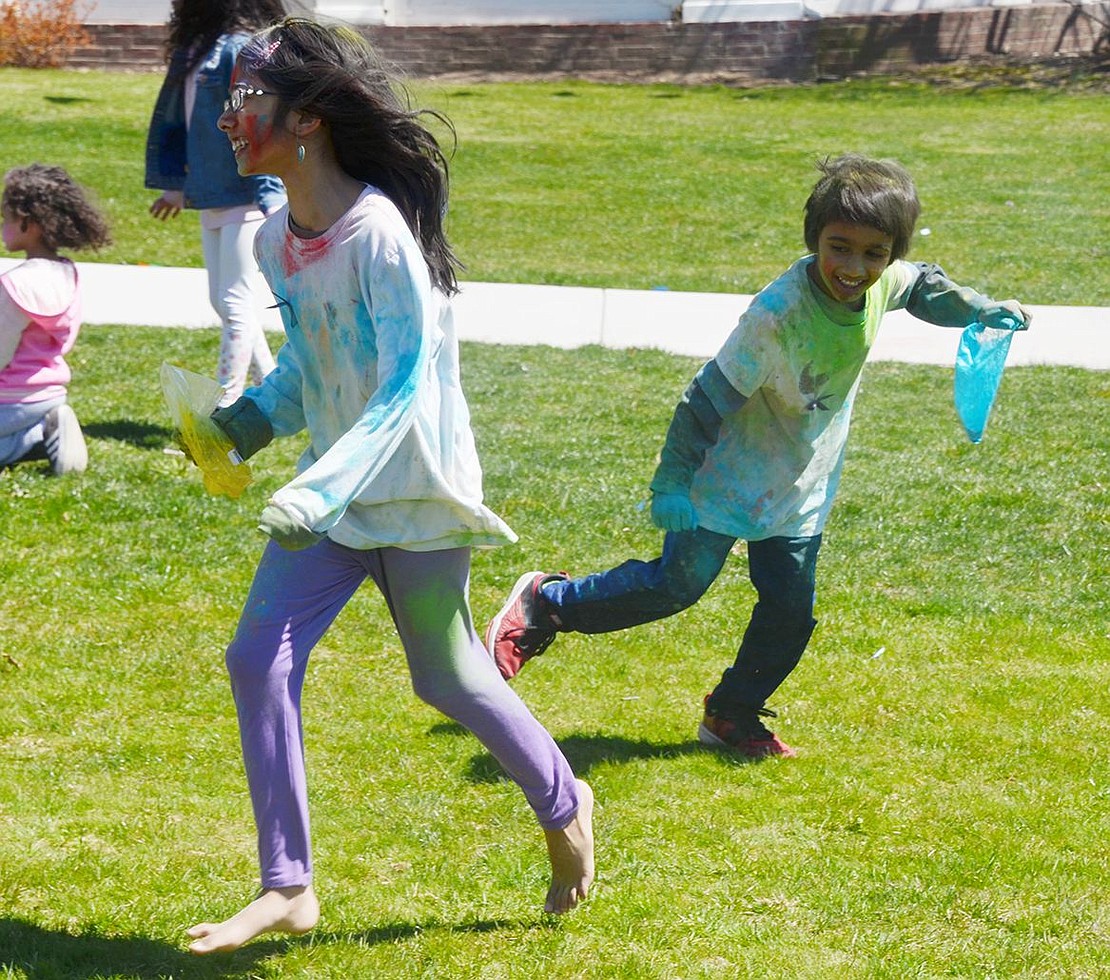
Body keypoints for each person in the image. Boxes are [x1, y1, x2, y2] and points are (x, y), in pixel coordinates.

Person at [183, 18, 594, 955]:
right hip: (331, 498)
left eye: (248, 102)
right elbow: (312, 369)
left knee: (445, 676)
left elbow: (404, 385)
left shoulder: (378, 236)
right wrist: (248, 422)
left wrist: (317, 489)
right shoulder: (278, 242)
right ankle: (287, 886)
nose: (232, 121)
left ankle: (567, 807)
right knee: (258, 661)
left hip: (408, 496)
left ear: (310, 120)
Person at [486, 153, 1031, 759]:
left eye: (873, 254)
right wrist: (670, 483)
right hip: (725, 477)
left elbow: (923, 286)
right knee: (675, 588)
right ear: (815, 238)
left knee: (791, 610)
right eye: (839, 247)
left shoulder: (883, 279)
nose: (854, 267)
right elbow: (703, 402)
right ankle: (546, 603)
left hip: (799, 485)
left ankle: (732, 712)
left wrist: (975, 308)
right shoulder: (775, 317)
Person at [145, 0, 288, 406]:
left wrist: (270, 195)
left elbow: (255, 123)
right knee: (222, 301)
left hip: (245, 192)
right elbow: (184, 125)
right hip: (210, 191)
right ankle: (276, 390)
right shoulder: (196, 50)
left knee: (234, 300)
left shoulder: (239, 49)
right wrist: (177, 185)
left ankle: (224, 408)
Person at [0, 164, 111, 475]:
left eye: (6, 219)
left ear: (29, 224)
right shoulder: (67, 273)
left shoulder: (15, 285)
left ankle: (34, 439)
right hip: (49, 394)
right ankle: (45, 432)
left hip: (9, 399)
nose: (2, 226)